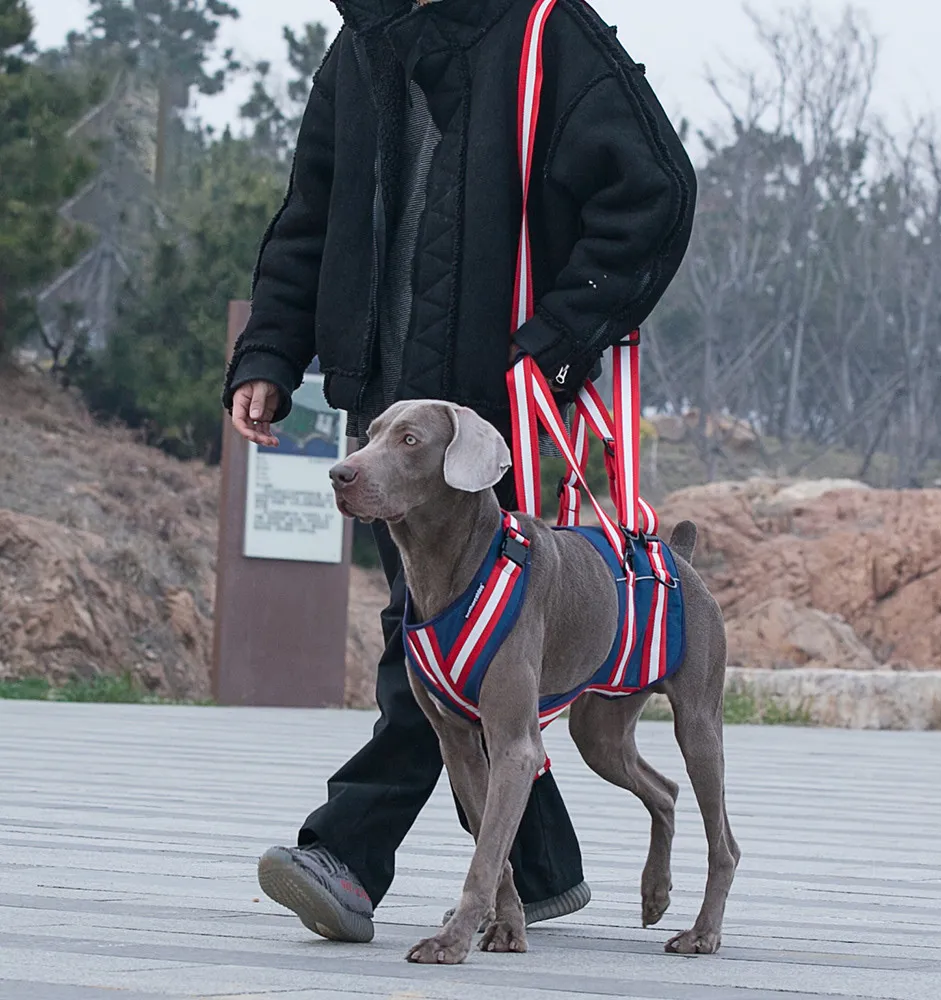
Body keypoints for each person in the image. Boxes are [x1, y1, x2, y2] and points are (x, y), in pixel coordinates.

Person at [223, 0, 696, 944]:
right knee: (469, 662)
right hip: (392, 427)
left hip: (495, 427)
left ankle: (347, 855)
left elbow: (654, 193)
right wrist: (271, 354)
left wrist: (552, 346)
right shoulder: (362, 46)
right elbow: (309, 212)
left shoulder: (548, 32)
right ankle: (544, 864)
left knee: (437, 654)